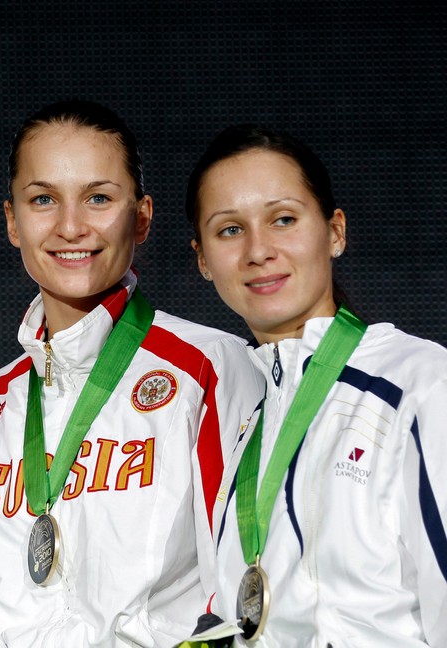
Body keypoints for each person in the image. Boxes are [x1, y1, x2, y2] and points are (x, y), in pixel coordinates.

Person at [0, 100, 264, 647]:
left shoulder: (210, 370)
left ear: (143, 216)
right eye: (42, 200)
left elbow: (245, 588)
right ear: (12, 221)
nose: (71, 226)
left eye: (99, 198)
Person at [186, 124, 447, 647]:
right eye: (230, 230)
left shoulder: (419, 384)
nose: (259, 251)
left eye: (283, 219)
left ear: (335, 232)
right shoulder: (240, 422)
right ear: (202, 261)